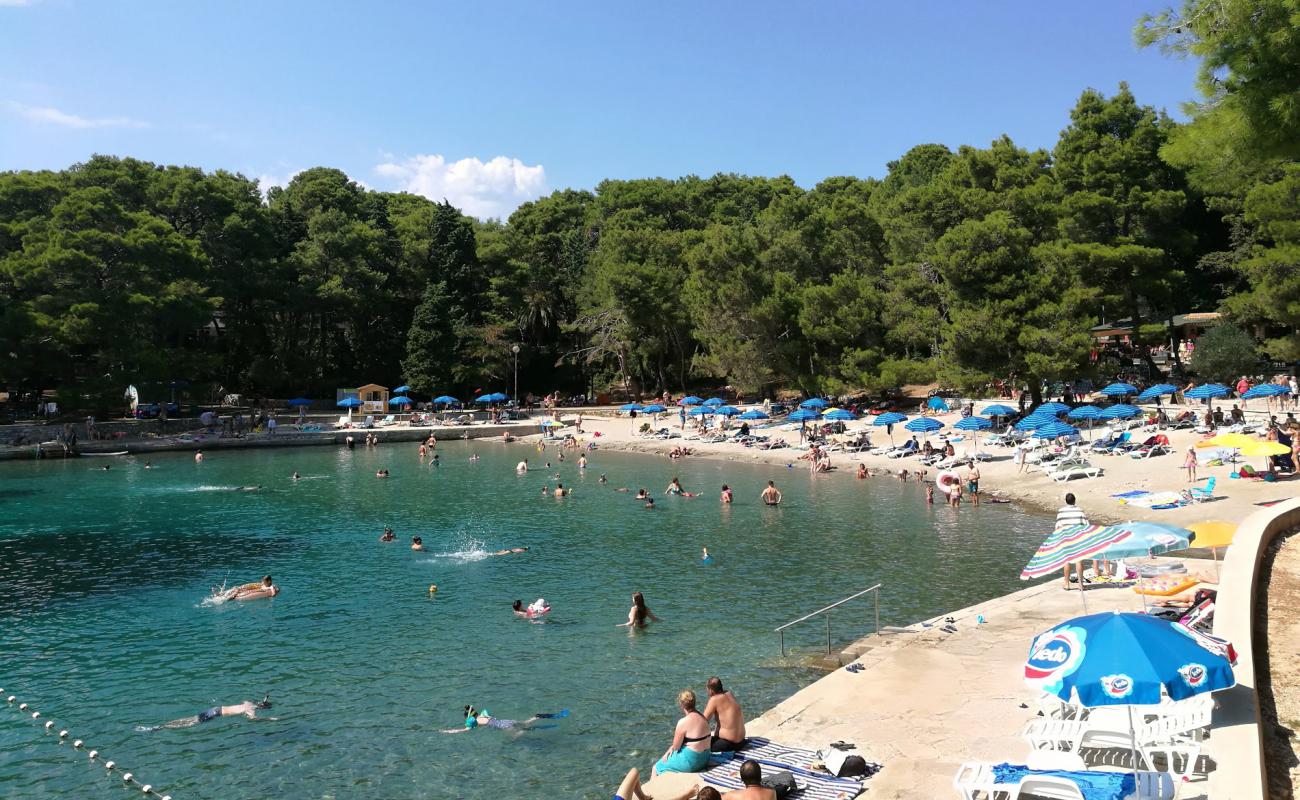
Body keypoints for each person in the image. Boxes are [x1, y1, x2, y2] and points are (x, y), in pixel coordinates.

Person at [653, 690, 713, 776]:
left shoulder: (683, 722)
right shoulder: (703, 717)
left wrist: (668, 751)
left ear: (681, 705)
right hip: (705, 758)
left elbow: (676, 747)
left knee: (656, 768)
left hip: (693, 762)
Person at [138, 697, 273, 731]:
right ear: (261, 708)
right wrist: (269, 719)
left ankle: (163, 725)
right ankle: (159, 728)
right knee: (190, 724)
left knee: (190, 719)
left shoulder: (248, 703)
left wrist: (262, 701)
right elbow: (253, 719)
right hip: (215, 715)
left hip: (215, 709)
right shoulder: (251, 710)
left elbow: (246, 701)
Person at [442, 705, 567, 734]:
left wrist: (448, 731)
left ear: (469, 718)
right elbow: (470, 708)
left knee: (516, 736)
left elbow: (462, 730)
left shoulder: (474, 722)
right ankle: (538, 717)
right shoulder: (482, 715)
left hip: (504, 727)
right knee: (524, 723)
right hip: (507, 721)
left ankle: (531, 730)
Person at [702, 677, 746, 752]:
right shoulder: (729, 693)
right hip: (742, 742)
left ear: (710, 690)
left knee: (701, 745)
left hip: (728, 744)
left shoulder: (714, 699)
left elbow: (702, 722)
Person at [1055, 493, 1089, 590]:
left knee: (1066, 561)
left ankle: (1066, 584)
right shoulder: (1080, 512)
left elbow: (1058, 527)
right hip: (1077, 538)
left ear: (1066, 501)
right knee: (1079, 561)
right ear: (1074, 501)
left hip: (1066, 538)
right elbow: (1086, 526)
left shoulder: (1061, 512)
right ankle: (1080, 585)